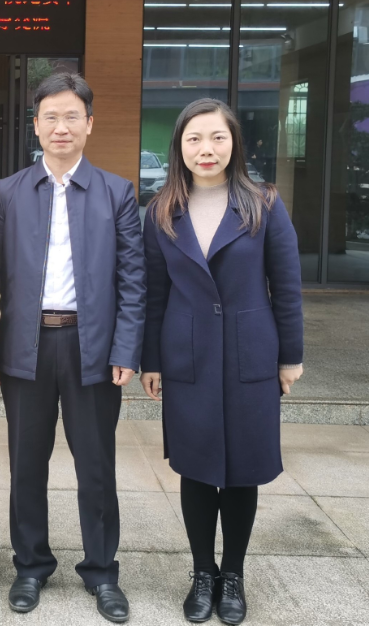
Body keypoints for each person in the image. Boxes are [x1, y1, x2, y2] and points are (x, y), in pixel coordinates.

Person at [0, 72, 145, 624]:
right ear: (35, 125)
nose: (61, 126)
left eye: (71, 116)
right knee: (26, 464)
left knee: (96, 466)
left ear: (89, 124)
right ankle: (30, 566)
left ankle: (102, 571)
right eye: (50, 117)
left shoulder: (117, 192)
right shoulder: (8, 191)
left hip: (90, 346)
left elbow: (133, 279)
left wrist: (126, 348)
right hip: (25, 346)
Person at [140, 98, 304, 626]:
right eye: (194, 139)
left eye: (217, 137)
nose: (205, 149)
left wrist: (290, 357)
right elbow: (155, 293)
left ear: (234, 143)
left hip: (250, 353)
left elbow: (287, 287)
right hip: (187, 354)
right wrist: (151, 361)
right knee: (195, 467)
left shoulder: (264, 204)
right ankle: (202, 572)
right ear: (179, 147)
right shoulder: (162, 210)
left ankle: (232, 574)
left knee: (241, 471)